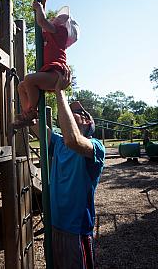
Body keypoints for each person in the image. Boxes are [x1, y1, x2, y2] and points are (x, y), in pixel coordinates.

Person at [32, 70, 105, 269]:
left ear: (88, 122)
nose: (73, 112)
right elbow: (36, 126)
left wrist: (59, 92)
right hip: (54, 225)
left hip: (76, 230)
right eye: (70, 110)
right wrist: (29, 108)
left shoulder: (95, 146)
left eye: (78, 112)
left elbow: (74, 140)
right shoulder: (59, 143)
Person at [16, 0, 79, 124]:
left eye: (60, 18)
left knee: (28, 79)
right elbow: (42, 24)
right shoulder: (53, 33)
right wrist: (43, 7)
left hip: (56, 74)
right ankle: (27, 112)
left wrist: (38, 8)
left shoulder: (60, 32)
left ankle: (32, 111)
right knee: (22, 86)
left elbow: (42, 21)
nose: (56, 18)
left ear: (65, 27)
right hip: (49, 73)